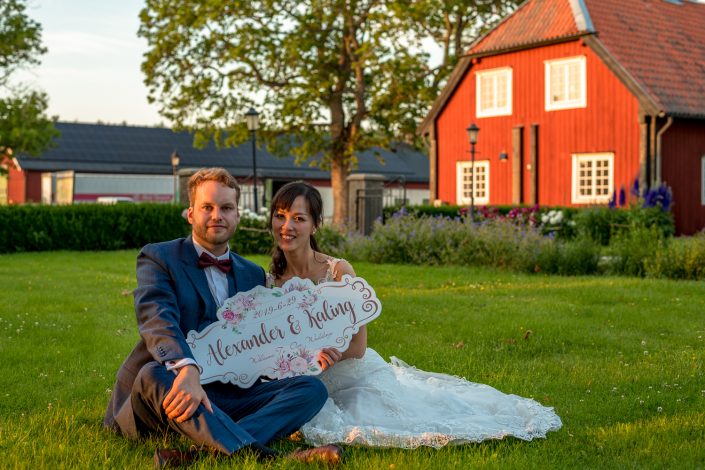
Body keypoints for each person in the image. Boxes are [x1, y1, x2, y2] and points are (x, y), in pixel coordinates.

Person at [266, 181, 563, 448]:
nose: (286, 226)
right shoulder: (270, 281)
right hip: (301, 381)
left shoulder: (338, 272)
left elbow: (358, 347)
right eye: (280, 216)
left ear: (316, 225)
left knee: (383, 419)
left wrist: (326, 354)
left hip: (348, 376)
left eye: (298, 218)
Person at [104, 168, 343, 468]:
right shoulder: (158, 258)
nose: (217, 215)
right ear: (190, 214)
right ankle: (271, 458)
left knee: (310, 389)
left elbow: (264, 339)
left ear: (237, 216)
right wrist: (187, 369)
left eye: (226, 208)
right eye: (208, 207)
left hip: (224, 393)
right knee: (154, 373)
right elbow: (156, 318)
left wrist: (305, 356)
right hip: (169, 390)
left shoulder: (252, 274)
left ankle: (201, 454)